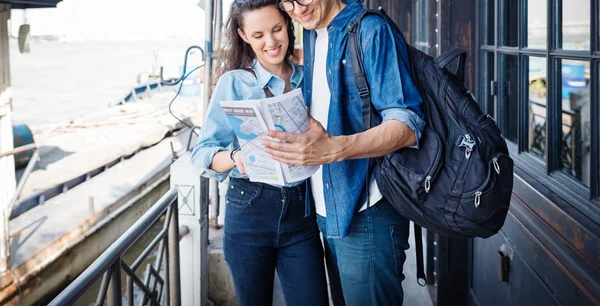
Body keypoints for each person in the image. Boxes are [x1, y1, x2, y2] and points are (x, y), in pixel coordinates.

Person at [263, 0, 426, 305]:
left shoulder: (372, 31)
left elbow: (407, 124)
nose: (296, 9)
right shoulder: (311, 32)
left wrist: (333, 150)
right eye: (287, 1)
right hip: (327, 211)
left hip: (368, 211)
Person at [190, 1, 329, 305]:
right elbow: (202, 152)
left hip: (301, 213)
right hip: (248, 209)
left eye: (277, 29)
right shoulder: (234, 83)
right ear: (243, 35)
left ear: (288, 25)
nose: (271, 42)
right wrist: (235, 157)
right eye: (258, 35)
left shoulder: (311, 78)